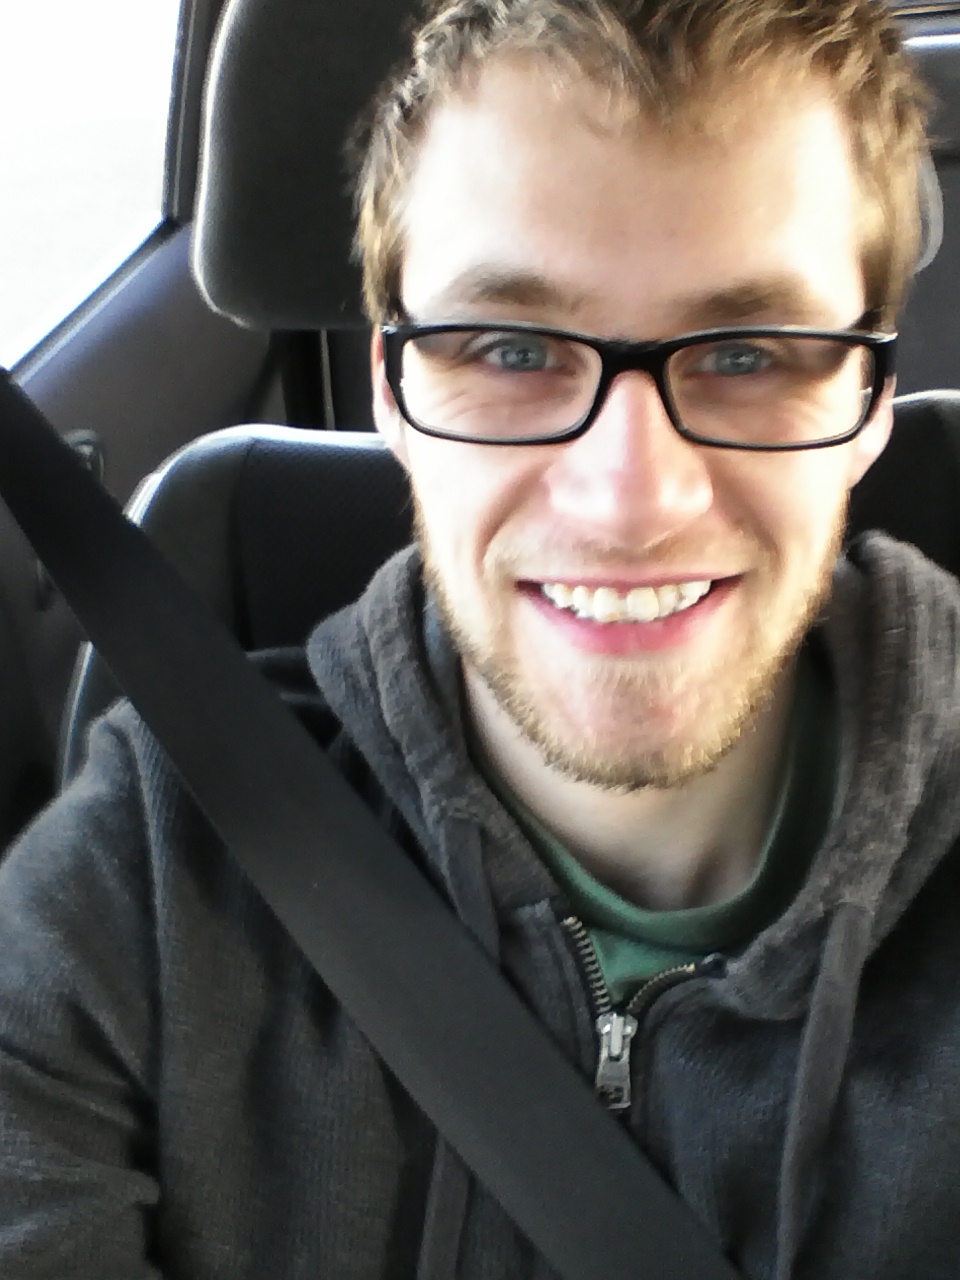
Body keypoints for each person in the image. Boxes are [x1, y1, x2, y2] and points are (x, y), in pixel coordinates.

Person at [0, 0, 952, 1276]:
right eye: (509, 348)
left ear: (871, 401)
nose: (629, 500)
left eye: (747, 353)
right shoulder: (148, 876)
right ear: (391, 388)